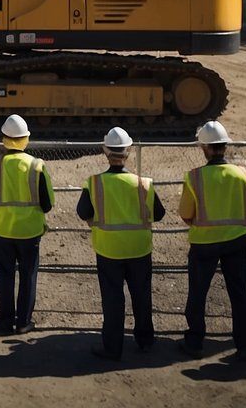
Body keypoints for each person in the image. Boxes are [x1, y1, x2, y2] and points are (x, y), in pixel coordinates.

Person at [77, 127, 166, 361]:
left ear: (106, 152)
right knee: (142, 296)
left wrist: (92, 221)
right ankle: (145, 341)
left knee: (113, 299)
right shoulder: (144, 183)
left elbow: (82, 211)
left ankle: (113, 347)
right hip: (139, 249)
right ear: (128, 152)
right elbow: (159, 213)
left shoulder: (94, 183)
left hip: (109, 250)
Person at [178, 120, 246, 361]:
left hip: (204, 244)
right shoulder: (242, 174)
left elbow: (185, 214)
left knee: (198, 293)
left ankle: (194, 342)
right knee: (240, 293)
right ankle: (244, 344)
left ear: (204, 147)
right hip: (237, 241)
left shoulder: (195, 178)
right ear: (225, 146)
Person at [0, 114, 54, 334]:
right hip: (29, 232)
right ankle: (23, 322)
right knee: (28, 276)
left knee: (4, 276)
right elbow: (47, 204)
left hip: (1, 229)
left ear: (4, 138)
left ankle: (4, 322)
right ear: (26, 139)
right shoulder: (37, 166)